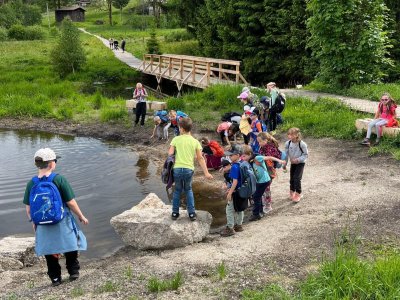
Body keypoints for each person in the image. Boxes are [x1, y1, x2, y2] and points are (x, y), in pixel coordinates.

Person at [23, 148, 88, 287]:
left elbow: (28, 208)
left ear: (37, 164)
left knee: (49, 250)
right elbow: (70, 202)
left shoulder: (31, 183)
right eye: (55, 160)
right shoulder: (59, 179)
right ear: (52, 164)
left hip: (42, 223)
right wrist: (81, 216)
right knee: (71, 244)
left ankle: (55, 278)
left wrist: (34, 221)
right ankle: (73, 272)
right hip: (61, 220)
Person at [168, 118, 213, 221]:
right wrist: (206, 173)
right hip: (188, 170)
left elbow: (170, 154)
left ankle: (175, 213)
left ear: (182, 129)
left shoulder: (175, 139)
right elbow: (200, 158)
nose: (179, 129)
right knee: (188, 190)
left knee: (177, 191)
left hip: (177, 169)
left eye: (179, 127)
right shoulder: (195, 142)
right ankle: (191, 214)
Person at [220, 147, 248, 237]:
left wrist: (230, 193)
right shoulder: (242, 163)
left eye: (231, 155)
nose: (230, 157)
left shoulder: (235, 167)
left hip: (236, 192)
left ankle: (230, 228)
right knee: (239, 208)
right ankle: (239, 226)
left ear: (237, 155)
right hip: (243, 191)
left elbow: (235, 181)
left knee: (229, 209)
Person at [250, 155, 285, 221]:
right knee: (258, 196)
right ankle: (260, 212)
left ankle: (256, 214)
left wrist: (280, 161)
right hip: (261, 181)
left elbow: (270, 157)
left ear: (249, 154)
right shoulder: (251, 161)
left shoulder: (257, 157)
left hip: (264, 181)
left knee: (256, 197)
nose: (242, 158)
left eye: (244, 156)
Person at [257, 132, 282, 213]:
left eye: (260, 141)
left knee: (266, 188)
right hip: (264, 170)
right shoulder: (262, 147)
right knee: (264, 188)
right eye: (258, 142)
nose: (259, 143)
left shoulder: (271, 148)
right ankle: (264, 203)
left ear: (266, 140)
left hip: (269, 171)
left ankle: (268, 205)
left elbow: (269, 159)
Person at [283, 128, 309, 202]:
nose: (289, 135)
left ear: (297, 135)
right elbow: (286, 155)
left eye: (292, 134)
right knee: (292, 178)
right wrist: (285, 164)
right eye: (289, 134)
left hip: (300, 163)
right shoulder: (287, 143)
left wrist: (298, 159)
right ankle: (292, 191)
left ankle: (298, 193)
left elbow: (306, 155)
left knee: (297, 178)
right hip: (293, 163)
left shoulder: (302, 144)